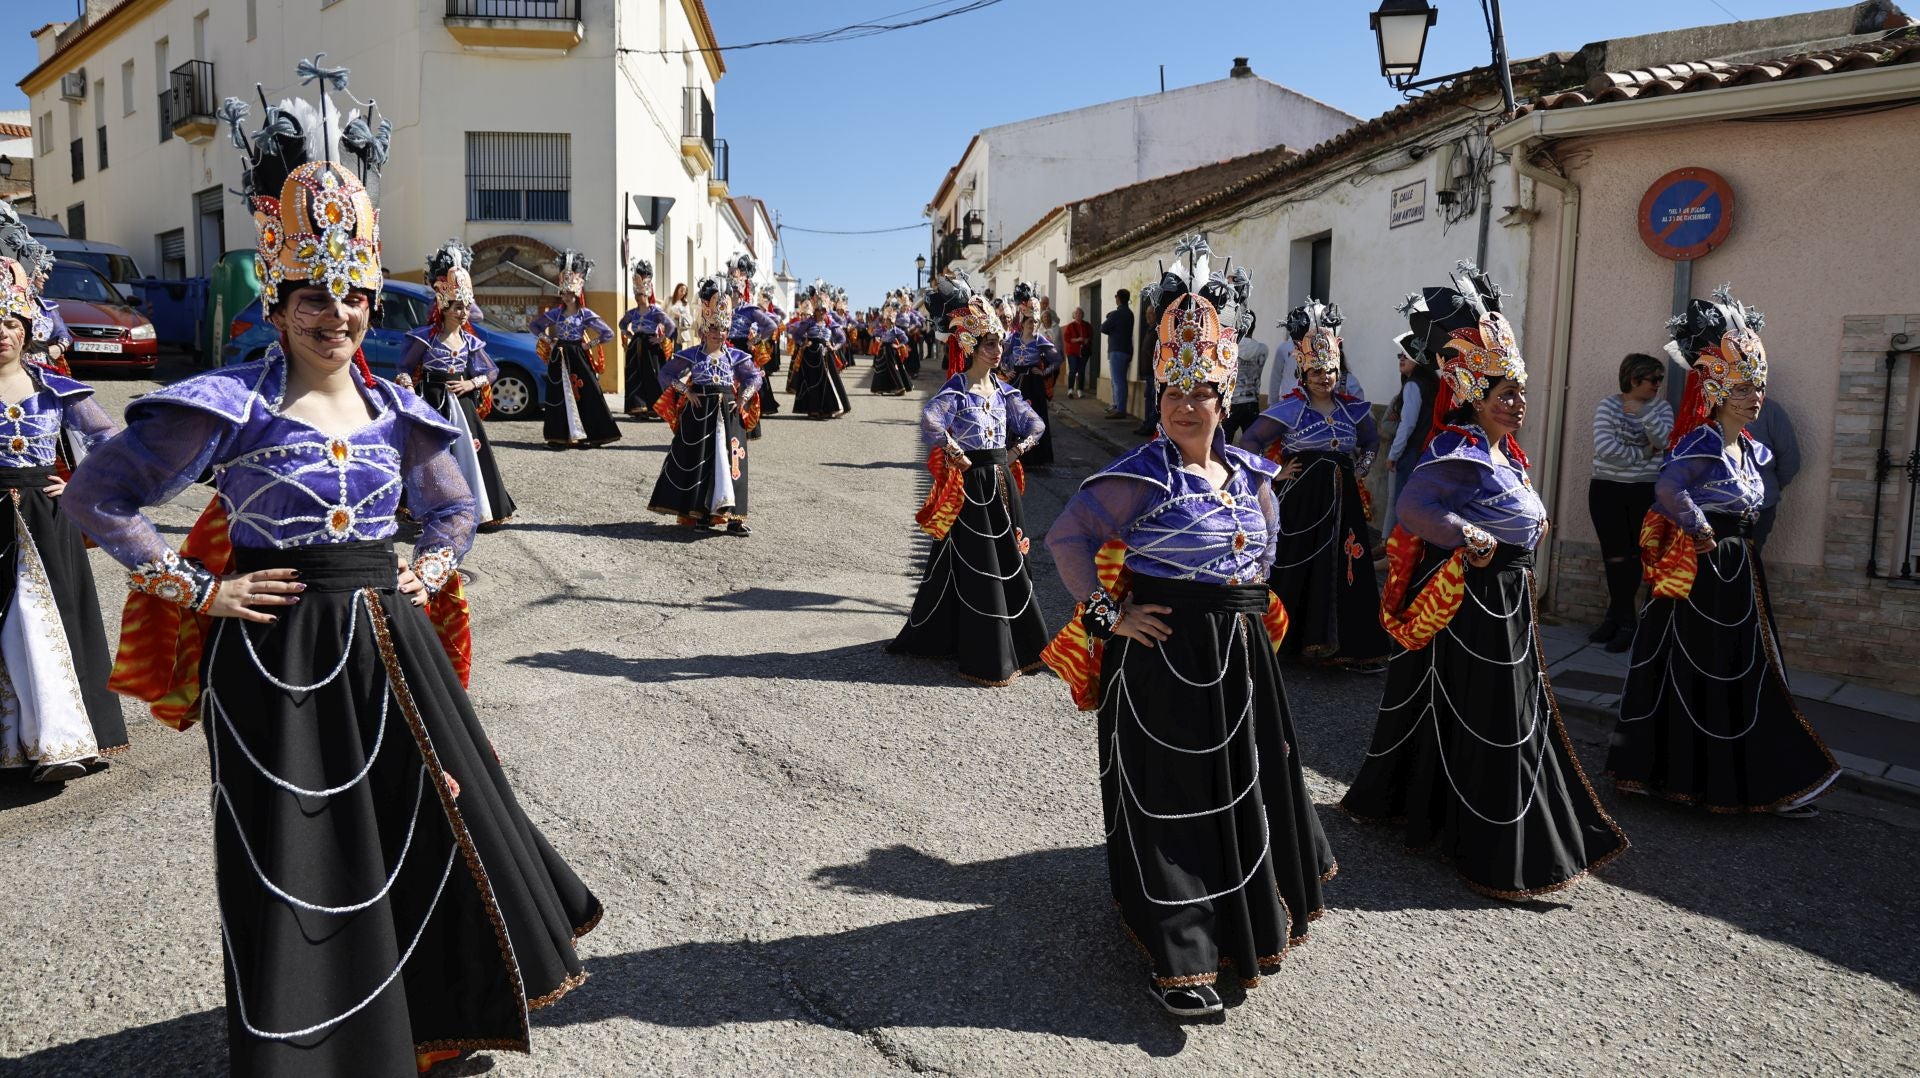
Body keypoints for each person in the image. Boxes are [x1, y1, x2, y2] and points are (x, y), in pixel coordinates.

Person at [65, 69, 600, 1073]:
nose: (338, 316)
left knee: (423, 820)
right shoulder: (228, 402)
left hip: (394, 650)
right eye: (315, 296)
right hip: (274, 660)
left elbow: (454, 508)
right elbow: (95, 500)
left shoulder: (402, 404)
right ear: (279, 294)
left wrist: (431, 569)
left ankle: (433, 1029)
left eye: (353, 296)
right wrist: (200, 587)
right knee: (300, 856)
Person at [1042, 238, 1334, 1017]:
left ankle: (1239, 927)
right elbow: (1065, 539)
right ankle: (1182, 956)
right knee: (1174, 799)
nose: (1183, 404)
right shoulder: (1141, 474)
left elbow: (1265, 552)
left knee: (1243, 788)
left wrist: (1248, 606)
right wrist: (1109, 616)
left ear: (1224, 396)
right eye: (1171, 390)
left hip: (1238, 656)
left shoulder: (1251, 474)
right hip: (1165, 656)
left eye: (1200, 391)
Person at [1343, 261, 1627, 900]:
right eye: (1506, 394)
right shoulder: (1457, 449)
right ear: (1475, 395)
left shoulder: (1505, 453)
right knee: (1495, 716)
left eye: (1521, 393)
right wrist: (1468, 537)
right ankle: (1494, 848)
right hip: (1475, 603)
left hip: (1508, 599)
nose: (1518, 404)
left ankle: (1469, 821)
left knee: (1511, 711)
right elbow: (1416, 508)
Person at [1611, 287, 1839, 818]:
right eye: (1741, 388)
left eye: (1757, 386)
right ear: (1716, 391)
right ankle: (1699, 776)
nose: (1753, 396)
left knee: (1743, 666)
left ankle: (1738, 775)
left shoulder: (1750, 448)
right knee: (1709, 667)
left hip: (1740, 568)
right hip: (1705, 570)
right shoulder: (1704, 441)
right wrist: (1699, 527)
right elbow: (1668, 489)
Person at [0, 255, 126, 783]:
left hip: (47, 519)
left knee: (44, 621)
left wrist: (79, 484)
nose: (1, 333)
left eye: (10, 322)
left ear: (27, 329)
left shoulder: (55, 388)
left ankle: (61, 738)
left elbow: (115, 442)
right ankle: (15, 744)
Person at [888, 296, 1049, 686]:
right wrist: (954, 448)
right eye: (990, 344)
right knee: (976, 566)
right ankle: (982, 650)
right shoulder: (958, 389)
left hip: (1002, 484)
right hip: (972, 487)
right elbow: (929, 420)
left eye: (999, 343)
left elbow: (1037, 426)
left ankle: (1017, 644)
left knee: (1010, 561)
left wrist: (1015, 452)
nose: (998, 350)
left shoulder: (1004, 391)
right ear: (972, 348)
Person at [1237, 300, 1393, 671]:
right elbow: (1250, 442)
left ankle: (1350, 649)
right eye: (1318, 371)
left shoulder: (1353, 409)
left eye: (1332, 371)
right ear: (1303, 372)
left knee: (1347, 567)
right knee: (1297, 563)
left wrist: (1360, 469)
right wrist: (1274, 473)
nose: (1326, 378)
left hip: (1345, 504)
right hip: (1304, 502)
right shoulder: (1290, 410)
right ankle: (1287, 643)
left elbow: (1371, 441)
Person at [396, 240, 517, 530]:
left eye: (466, 307)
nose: (463, 313)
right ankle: (435, 511)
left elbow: (491, 371)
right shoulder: (426, 337)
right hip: (432, 400)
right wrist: (409, 390)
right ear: (444, 306)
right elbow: (404, 367)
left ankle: (480, 508)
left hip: (462, 405)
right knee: (435, 457)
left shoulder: (470, 340)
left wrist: (471, 384)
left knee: (469, 453)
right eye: (457, 307)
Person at [649, 275, 762, 536]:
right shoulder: (693, 355)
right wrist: (686, 391)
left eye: (722, 328)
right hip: (699, 415)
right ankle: (700, 514)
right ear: (704, 326)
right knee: (702, 462)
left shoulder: (736, 355)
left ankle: (734, 518)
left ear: (728, 330)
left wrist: (743, 397)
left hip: (729, 413)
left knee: (732, 465)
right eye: (713, 326)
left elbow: (754, 377)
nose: (717, 333)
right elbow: (665, 375)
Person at [1585, 353, 1673, 651]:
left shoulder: (1661, 408)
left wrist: (1644, 414)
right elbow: (1606, 449)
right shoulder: (1608, 405)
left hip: (1643, 491)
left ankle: (1622, 621)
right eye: (1653, 379)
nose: (1658, 385)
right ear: (1634, 379)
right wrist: (1644, 453)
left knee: (1634, 555)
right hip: (1607, 489)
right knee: (1614, 556)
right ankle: (1620, 618)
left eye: (1660, 379)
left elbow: (1664, 441)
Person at [530, 251, 621, 448]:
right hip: (559, 354)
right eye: (564, 292)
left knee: (588, 393)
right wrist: (549, 340)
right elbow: (534, 326)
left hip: (578, 355)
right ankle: (559, 436)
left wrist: (589, 345)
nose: (567, 296)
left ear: (578, 293)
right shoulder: (556, 313)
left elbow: (608, 333)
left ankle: (593, 434)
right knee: (558, 394)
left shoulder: (585, 314)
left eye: (571, 293)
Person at [1380, 332, 1437, 539]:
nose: (1402, 358)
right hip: (1425, 452)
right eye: (1400, 355)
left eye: (1407, 354)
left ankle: (1394, 553)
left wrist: (1393, 455)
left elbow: (1408, 424)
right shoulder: (1431, 384)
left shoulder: (1413, 385)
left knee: (1401, 503)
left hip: (1411, 452)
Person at [1001, 283, 1061, 467]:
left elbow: (1057, 359)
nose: (1033, 324)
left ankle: (1036, 458)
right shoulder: (1014, 339)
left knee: (1035, 418)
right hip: (1017, 383)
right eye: (1030, 321)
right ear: (1023, 321)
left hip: (1034, 384)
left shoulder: (1040, 340)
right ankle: (1014, 456)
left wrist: (1043, 372)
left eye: (1036, 321)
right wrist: (1007, 371)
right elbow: (1002, 358)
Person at [724, 255, 780, 438]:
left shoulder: (749, 309)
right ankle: (725, 426)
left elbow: (771, 326)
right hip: (724, 348)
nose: (733, 291)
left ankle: (745, 427)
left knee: (744, 388)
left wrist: (755, 341)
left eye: (736, 287)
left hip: (742, 350)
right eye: (731, 286)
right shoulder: (722, 306)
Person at [620, 258, 675, 420]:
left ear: (647, 294)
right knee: (635, 375)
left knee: (653, 375)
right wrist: (628, 334)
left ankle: (656, 408)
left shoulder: (655, 312)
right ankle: (638, 407)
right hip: (636, 346)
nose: (638, 298)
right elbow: (622, 324)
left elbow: (671, 325)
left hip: (651, 347)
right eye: (636, 295)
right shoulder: (632, 312)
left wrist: (661, 339)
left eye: (641, 295)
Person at [1744, 394, 1800, 548]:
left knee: (1749, 564)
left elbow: (1790, 460)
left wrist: (1768, 486)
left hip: (1756, 507)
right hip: (1709, 508)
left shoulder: (1769, 410)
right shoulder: (1704, 406)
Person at [1222, 313, 1267, 443]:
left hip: (1231, 403)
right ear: (1254, 326)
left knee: (1223, 445)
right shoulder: (1263, 349)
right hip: (1251, 402)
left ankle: (1223, 463)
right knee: (1253, 444)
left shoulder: (1230, 348)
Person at [1101, 289, 1135, 418]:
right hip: (1127, 350)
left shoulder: (1116, 314)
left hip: (1117, 350)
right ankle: (1117, 406)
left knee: (1117, 381)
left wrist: (1110, 316)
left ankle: (1120, 409)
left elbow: (1103, 328)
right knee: (1120, 380)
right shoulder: (1130, 313)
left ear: (1118, 298)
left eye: (1116, 296)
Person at [869, 305, 915, 396]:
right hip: (882, 351)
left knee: (894, 368)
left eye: (888, 320)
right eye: (885, 320)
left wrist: (898, 346)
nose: (886, 322)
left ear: (892, 321)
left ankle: (900, 387)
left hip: (892, 351)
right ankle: (880, 388)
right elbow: (873, 334)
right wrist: (877, 338)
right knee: (881, 369)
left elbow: (905, 339)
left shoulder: (896, 330)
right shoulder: (881, 330)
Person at [1062, 305, 1092, 399]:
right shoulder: (1070, 326)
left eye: (1080, 313)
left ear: (1082, 315)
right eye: (1076, 313)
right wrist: (1077, 339)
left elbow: (1091, 335)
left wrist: (1087, 340)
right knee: (1073, 370)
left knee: (1082, 371)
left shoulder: (1087, 325)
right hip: (1072, 352)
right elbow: (1066, 338)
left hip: (1084, 352)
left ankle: (1080, 390)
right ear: (1074, 315)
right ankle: (1070, 390)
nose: (1078, 315)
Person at [668, 281, 694, 352]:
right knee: (667, 349)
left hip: (679, 330)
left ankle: (677, 363)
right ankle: (667, 363)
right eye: (681, 290)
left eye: (685, 291)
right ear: (677, 290)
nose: (683, 293)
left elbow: (689, 318)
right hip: (668, 328)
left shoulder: (685, 303)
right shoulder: (669, 299)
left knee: (678, 350)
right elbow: (662, 312)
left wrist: (680, 316)